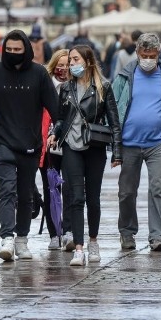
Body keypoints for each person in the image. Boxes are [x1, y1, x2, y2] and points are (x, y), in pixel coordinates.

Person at [0, 29, 59, 261]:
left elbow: (54, 109)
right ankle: (6, 237)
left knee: (26, 194)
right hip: (2, 142)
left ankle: (22, 239)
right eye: (9, 50)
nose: (13, 53)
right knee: (8, 190)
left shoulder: (39, 74)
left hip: (31, 144)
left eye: (18, 50)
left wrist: (57, 131)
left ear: (27, 50)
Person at [112, 32, 161, 251]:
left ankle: (157, 236)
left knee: (157, 189)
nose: (148, 59)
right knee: (126, 191)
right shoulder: (125, 76)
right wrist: (114, 142)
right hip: (129, 143)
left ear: (158, 53)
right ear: (137, 53)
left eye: (152, 55)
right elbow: (113, 107)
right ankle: (127, 232)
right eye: (144, 54)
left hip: (158, 143)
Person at [49, 45, 123, 265]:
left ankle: (93, 242)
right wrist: (55, 133)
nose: (71, 64)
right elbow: (61, 118)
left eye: (75, 59)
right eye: (70, 60)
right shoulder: (66, 88)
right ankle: (78, 249)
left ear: (88, 61)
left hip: (94, 147)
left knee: (93, 198)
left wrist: (117, 152)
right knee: (76, 197)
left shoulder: (103, 87)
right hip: (71, 147)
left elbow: (114, 122)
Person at [40, 49, 72, 250]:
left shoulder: (76, 87)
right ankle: (54, 233)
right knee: (50, 188)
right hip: (47, 143)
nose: (64, 69)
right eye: (60, 65)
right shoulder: (45, 85)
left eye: (68, 64)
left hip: (69, 143)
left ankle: (68, 230)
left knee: (69, 187)